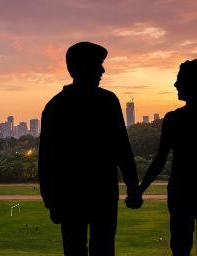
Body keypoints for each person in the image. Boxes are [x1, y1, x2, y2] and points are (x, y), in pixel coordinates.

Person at [38, 41, 142, 256]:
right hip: (102, 192)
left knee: (74, 249)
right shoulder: (107, 101)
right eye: (98, 64)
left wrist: (50, 200)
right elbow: (122, 149)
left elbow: (47, 160)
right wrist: (133, 187)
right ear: (80, 67)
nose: (103, 70)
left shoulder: (55, 105)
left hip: (70, 194)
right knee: (103, 248)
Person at [139, 60, 197, 256]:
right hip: (182, 189)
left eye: (180, 79)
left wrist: (139, 190)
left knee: (180, 246)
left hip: (181, 189)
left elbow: (160, 160)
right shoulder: (174, 119)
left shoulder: (174, 119)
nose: (175, 84)